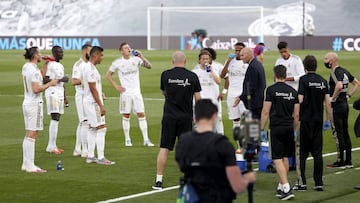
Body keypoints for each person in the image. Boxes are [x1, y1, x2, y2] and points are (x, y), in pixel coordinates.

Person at [175, 99, 256, 202]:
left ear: (195, 118)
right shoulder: (223, 144)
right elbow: (237, 186)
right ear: (214, 116)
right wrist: (247, 178)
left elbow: (183, 167)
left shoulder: (183, 142)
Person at [152, 51, 201, 190]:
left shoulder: (165, 75)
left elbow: (164, 92)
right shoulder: (192, 76)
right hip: (186, 117)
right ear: (185, 60)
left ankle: (158, 180)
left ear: (172, 61)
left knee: (164, 148)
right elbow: (198, 99)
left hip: (169, 116)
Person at [260, 64, 299, 200]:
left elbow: (265, 111)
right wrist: (294, 130)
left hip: (276, 128)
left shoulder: (270, 90)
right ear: (285, 74)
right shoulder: (293, 91)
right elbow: (296, 115)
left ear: (274, 75)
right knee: (285, 157)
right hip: (289, 127)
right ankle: (281, 186)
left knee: (276, 158)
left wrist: (261, 129)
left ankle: (287, 189)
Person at [106, 42, 154, 147]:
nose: (128, 49)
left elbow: (149, 66)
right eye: (126, 48)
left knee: (141, 114)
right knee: (126, 115)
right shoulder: (117, 63)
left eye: (129, 47)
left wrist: (141, 56)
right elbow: (108, 74)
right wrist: (116, 86)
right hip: (126, 94)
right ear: (121, 51)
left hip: (137, 93)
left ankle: (146, 140)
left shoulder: (136, 60)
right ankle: (127, 139)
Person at [297, 55, 332, 192]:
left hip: (305, 121)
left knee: (302, 153)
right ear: (316, 66)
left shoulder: (303, 80)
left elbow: (300, 100)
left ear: (305, 67)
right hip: (318, 121)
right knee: (317, 153)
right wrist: (327, 120)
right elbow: (328, 103)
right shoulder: (323, 81)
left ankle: (302, 183)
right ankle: (318, 183)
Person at [21, 47, 58, 173]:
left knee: (28, 134)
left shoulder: (27, 67)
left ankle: (26, 164)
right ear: (35, 55)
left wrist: (46, 64)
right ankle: (30, 165)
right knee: (33, 134)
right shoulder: (34, 70)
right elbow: (37, 89)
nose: (41, 54)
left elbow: (39, 77)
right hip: (34, 104)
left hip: (27, 102)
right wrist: (50, 84)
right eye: (39, 52)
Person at [325, 52, 359, 168]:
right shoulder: (345, 71)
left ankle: (341, 161)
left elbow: (339, 86)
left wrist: (332, 98)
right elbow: (356, 83)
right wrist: (348, 95)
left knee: (339, 134)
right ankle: (348, 161)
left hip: (338, 107)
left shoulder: (335, 72)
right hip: (345, 105)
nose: (325, 61)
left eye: (326, 59)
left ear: (332, 60)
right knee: (345, 133)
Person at [83, 46, 115, 165]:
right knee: (102, 128)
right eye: (101, 55)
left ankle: (91, 156)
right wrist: (100, 105)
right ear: (95, 55)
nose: (102, 57)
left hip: (90, 101)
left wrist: (100, 93)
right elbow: (92, 88)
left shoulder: (91, 68)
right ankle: (101, 157)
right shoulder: (90, 69)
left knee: (92, 128)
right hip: (93, 103)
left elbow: (93, 87)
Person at [43, 45, 69, 154]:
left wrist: (65, 97)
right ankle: (51, 147)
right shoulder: (51, 65)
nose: (62, 54)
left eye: (62, 52)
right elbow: (45, 79)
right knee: (55, 117)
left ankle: (52, 145)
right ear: (54, 53)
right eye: (59, 52)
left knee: (57, 118)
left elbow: (62, 84)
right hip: (52, 92)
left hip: (59, 93)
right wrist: (61, 79)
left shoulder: (60, 66)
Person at [221, 42, 248, 132]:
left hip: (243, 94)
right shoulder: (230, 61)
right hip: (232, 94)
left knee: (246, 119)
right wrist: (228, 61)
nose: (238, 52)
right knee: (236, 121)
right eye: (236, 50)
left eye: (240, 50)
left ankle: (247, 144)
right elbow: (222, 75)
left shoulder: (247, 63)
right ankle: (240, 145)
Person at [192, 50, 222, 133]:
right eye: (203, 59)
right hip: (200, 103)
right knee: (199, 128)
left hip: (213, 102)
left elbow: (218, 82)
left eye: (207, 59)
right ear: (199, 60)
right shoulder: (194, 72)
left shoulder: (213, 70)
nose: (205, 61)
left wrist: (211, 71)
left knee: (216, 128)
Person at [72, 44, 92, 158]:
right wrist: (84, 81)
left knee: (82, 122)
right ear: (84, 51)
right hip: (81, 96)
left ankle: (77, 149)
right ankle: (85, 150)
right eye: (90, 51)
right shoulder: (78, 65)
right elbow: (74, 81)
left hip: (88, 95)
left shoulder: (89, 64)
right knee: (85, 122)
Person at [235, 47, 266, 120]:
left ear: (249, 55)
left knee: (254, 125)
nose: (240, 57)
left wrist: (241, 97)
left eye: (242, 55)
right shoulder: (257, 64)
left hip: (255, 102)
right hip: (259, 100)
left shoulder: (252, 67)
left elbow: (252, 86)